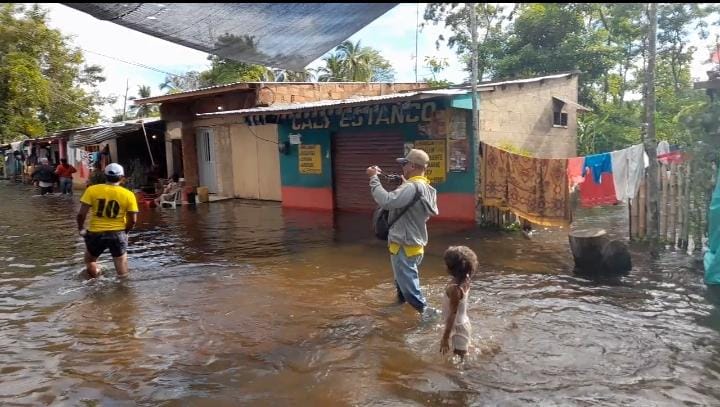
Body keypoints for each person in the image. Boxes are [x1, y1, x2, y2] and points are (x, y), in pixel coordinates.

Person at [366, 148, 439, 318]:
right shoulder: (426, 187)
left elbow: (386, 200)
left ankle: (428, 313)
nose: (403, 167)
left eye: (405, 163)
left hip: (403, 245)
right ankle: (400, 306)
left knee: (409, 286)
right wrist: (404, 183)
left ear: (412, 166)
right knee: (403, 281)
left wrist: (373, 178)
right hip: (415, 243)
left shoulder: (412, 187)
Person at [76, 163, 139, 279]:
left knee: (90, 261)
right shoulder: (129, 195)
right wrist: (126, 231)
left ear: (105, 176)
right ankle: (124, 292)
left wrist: (81, 228)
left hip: (95, 234)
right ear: (122, 177)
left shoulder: (92, 190)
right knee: (122, 270)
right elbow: (133, 220)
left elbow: (81, 214)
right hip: (118, 233)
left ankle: (96, 280)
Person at [440, 246, 478, 361]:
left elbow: (452, 314)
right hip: (463, 323)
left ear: (451, 268)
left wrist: (445, 338)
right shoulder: (466, 279)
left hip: (458, 328)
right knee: (463, 356)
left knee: (459, 365)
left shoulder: (454, 289)